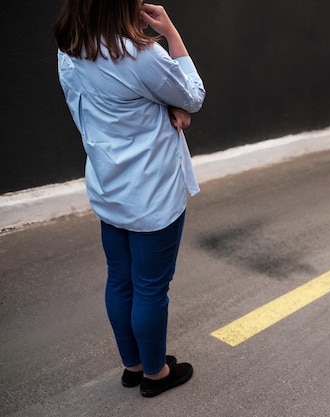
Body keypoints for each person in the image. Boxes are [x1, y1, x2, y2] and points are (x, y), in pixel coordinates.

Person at [54, 0, 205, 397]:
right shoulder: (141, 55)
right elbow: (192, 95)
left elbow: (90, 111)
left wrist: (162, 103)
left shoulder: (69, 50)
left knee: (120, 280)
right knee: (151, 287)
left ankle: (133, 365)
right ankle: (155, 375)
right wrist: (170, 32)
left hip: (108, 183)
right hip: (153, 191)